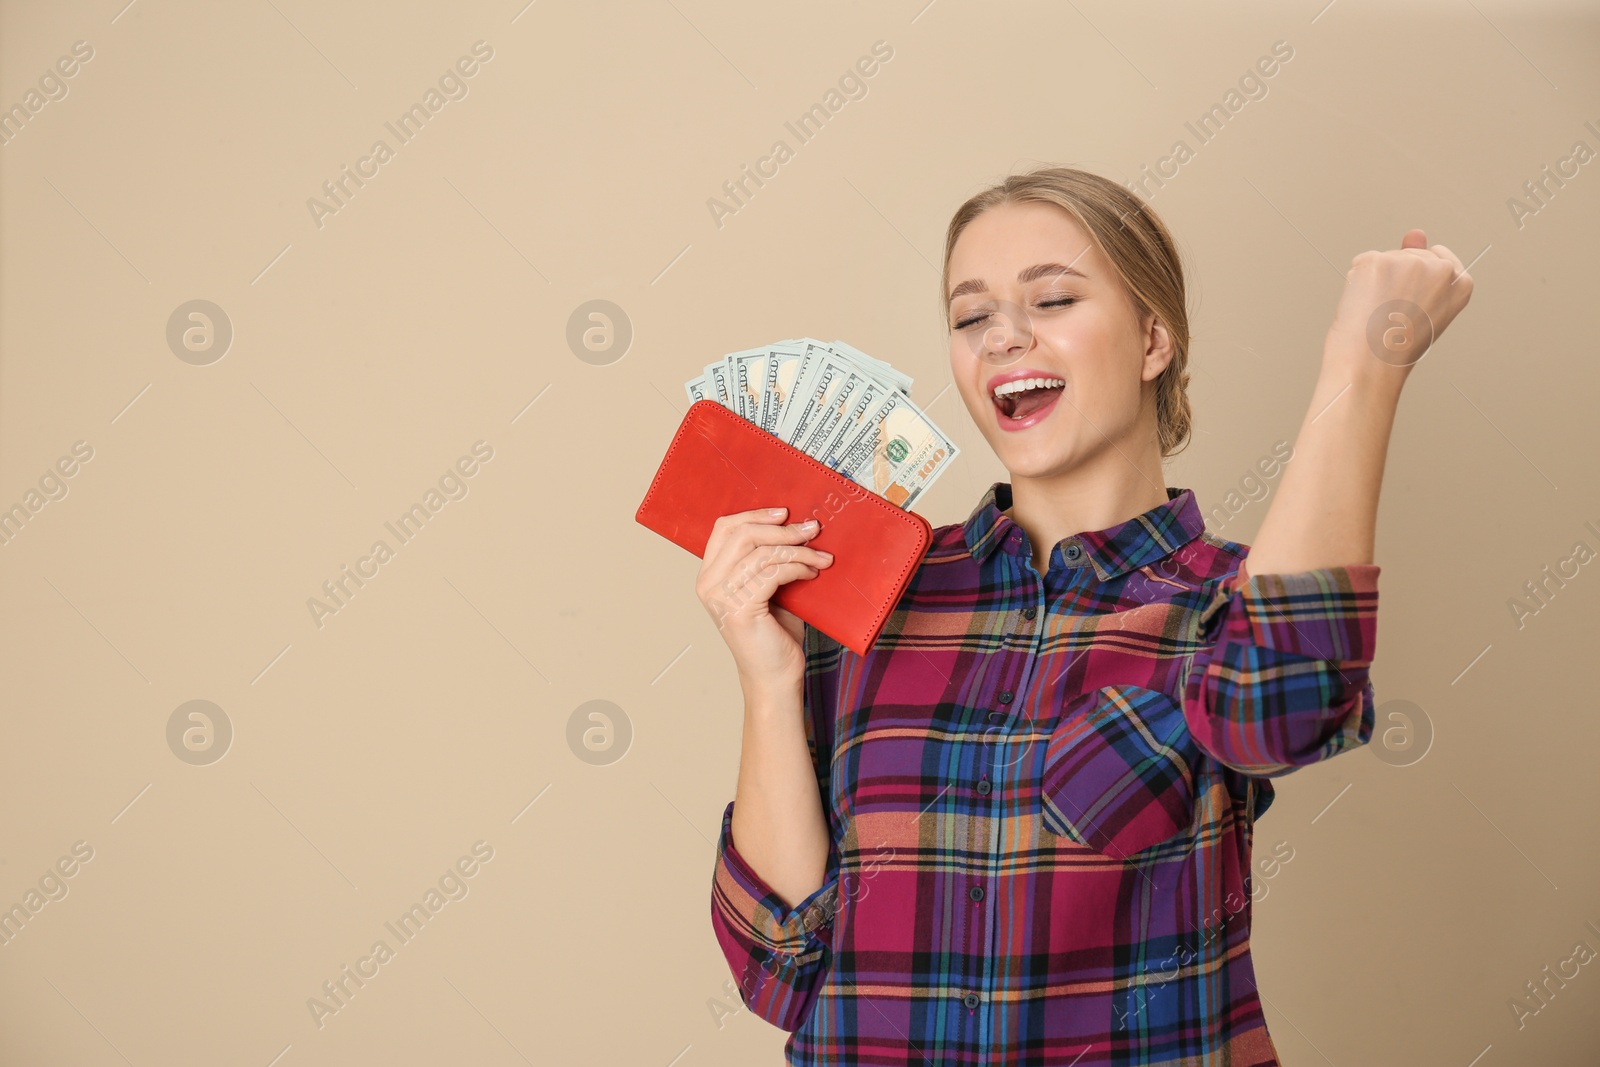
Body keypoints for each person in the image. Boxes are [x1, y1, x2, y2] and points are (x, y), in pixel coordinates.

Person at [697, 165, 1472, 1065]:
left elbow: (1285, 707)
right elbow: (779, 967)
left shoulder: (1225, 604)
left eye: (1053, 298)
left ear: (1153, 338)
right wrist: (768, 677)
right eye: (971, 316)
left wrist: (1364, 364)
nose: (1003, 337)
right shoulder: (881, 594)